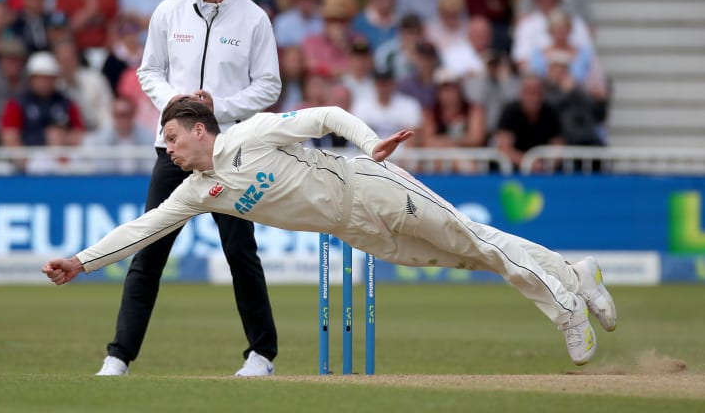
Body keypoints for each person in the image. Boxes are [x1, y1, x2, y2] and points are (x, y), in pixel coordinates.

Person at [43, 98, 617, 367]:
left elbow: (326, 116)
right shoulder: (197, 191)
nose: (166, 149)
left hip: (369, 186)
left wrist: (371, 145)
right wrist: (81, 261)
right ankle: (575, 272)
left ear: (199, 130)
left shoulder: (252, 134)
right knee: (473, 255)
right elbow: (141, 230)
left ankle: (565, 306)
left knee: (472, 239)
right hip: (355, 229)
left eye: (171, 138)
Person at [94, 0, 281, 378]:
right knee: (148, 251)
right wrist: (177, 108)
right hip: (174, 151)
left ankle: (261, 355)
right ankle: (118, 357)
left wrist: (219, 109)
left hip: (228, 152)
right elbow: (149, 71)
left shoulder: (254, 18)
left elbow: (269, 85)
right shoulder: (169, 11)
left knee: (240, 252)